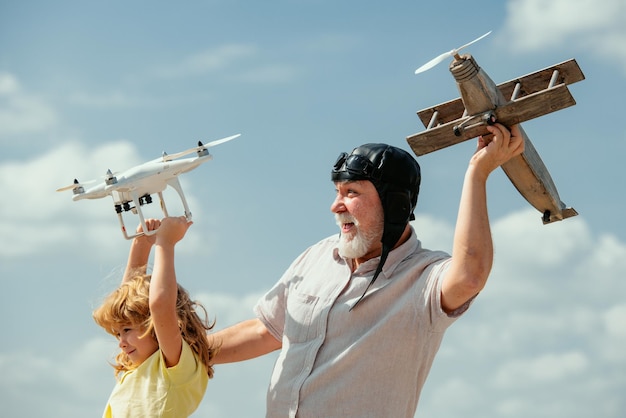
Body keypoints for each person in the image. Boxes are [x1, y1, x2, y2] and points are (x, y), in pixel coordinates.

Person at [209, 124, 525, 417]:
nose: (336, 205)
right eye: (337, 192)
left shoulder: (424, 277)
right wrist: (185, 349)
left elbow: (470, 275)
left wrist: (477, 173)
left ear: (395, 205)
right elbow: (266, 330)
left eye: (351, 193)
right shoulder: (316, 257)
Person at [93, 216, 219, 418]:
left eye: (126, 331)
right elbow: (126, 307)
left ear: (152, 322)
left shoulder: (174, 367)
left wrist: (165, 243)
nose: (121, 344)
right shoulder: (139, 365)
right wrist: (140, 244)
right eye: (118, 335)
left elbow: (160, 305)